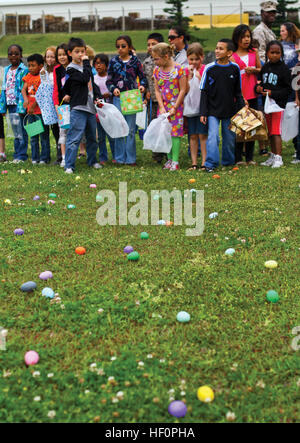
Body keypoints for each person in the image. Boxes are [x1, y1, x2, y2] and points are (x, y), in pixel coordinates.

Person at [200, 39, 244, 172]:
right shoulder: (209, 68)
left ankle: (228, 162)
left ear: (229, 53)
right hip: (212, 110)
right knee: (213, 136)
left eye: (221, 48)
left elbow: (238, 92)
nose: (217, 51)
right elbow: (204, 91)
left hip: (230, 111)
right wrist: (203, 112)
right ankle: (210, 164)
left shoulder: (235, 68)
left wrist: (242, 109)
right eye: (216, 48)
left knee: (229, 138)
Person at [62, 38, 102, 174]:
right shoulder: (71, 69)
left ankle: (92, 161)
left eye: (82, 51)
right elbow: (85, 79)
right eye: (76, 52)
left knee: (92, 137)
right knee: (74, 137)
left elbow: (92, 83)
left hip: (90, 107)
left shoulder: (86, 68)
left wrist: (97, 97)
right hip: (79, 108)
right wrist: (86, 62)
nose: (80, 54)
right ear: (70, 53)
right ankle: (69, 165)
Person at [106, 35, 147, 165]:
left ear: (129, 47)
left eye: (123, 46)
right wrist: (113, 89)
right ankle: (119, 157)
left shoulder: (135, 61)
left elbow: (143, 78)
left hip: (132, 97)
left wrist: (142, 86)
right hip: (118, 98)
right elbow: (109, 80)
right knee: (119, 127)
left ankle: (130, 158)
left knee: (130, 129)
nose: (120, 49)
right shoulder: (113, 62)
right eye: (118, 46)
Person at [255, 41, 291, 168]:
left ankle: (279, 158)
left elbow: (287, 89)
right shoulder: (265, 67)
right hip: (267, 105)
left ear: (281, 54)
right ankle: (272, 154)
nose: (275, 55)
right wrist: (258, 88)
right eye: (272, 52)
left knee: (276, 131)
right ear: (267, 53)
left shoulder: (284, 69)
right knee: (270, 131)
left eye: (278, 53)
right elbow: (260, 83)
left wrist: (272, 93)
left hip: (277, 104)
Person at [152, 43, 186, 171]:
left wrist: (175, 107)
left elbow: (182, 90)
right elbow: (157, 90)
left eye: (156, 59)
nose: (155, 62)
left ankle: (175, 161)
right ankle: (169, 159)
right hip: (164, 107)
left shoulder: (179, 69)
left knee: (175, 134)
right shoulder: (157, 71)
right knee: (165, 133)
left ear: (166, 56)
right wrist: (161, 107)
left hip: (176, 107)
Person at [231, 25, 261, 165]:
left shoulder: (253, 53)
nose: (246, 39)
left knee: (252, 126)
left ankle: (249, 157)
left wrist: (253, 70)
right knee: (239, 126)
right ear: (237, 39)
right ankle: (238, 157)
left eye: (248, 36)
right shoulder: (232, 56)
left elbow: (261, 69)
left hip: (253, 93)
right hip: (239, 95)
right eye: (243, 37)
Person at [0, 44, 28, 163]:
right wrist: (2, 107)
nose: (13, 56)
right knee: (15, 131)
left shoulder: (24, 69)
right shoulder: (6, 70)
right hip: (10, 104)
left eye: (16, 53)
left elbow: (25, 88)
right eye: (10, 53)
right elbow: (4, 88)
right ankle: (17, 154)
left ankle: (21, 155)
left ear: (21, 55)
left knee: (22, 130)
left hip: (20, 104)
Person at [22, 53, 51, 164]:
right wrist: (26, 100)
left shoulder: (42, 77)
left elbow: (42, 93)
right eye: (29, 65)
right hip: (31, 113)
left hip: (40, 112)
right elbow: (23, 90)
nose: (30, 68)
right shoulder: (28, 76)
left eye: (33, 65)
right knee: (34, 136)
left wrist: (33, 106)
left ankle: (44, 158)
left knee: (44, 136)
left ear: (40, 66)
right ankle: (35, 158)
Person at [143, 32, 165, 163]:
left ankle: (168, 153)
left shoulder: (165, 61)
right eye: (148, 45)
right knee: (154, 126)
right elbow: (144, 79)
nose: (150, 47)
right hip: (153, 100)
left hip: (166, 99)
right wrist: (145, 92)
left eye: (154, 44)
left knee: (165, 127)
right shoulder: (146, 62)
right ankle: (157, 155)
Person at [185, 42, 207, 170]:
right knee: (192, 135)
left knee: (203, 135)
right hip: (190, 108)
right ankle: (194, 163)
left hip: (202, 108)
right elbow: (185, 89)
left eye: (196, 59)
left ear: (202, 58)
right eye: (191, 59)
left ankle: (204, 162)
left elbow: (206, 88)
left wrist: (198, 77)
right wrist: (189, 76)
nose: (193, 62)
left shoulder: (205, 70)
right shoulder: (186, 71)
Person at [93, 53, 115, 164]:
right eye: (96, 63)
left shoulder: (109, 78)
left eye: (101, 63)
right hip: (98, 111)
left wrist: (109, 94)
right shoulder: (93, 79)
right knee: (100, 136)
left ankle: (115, 155)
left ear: (106, 65)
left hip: (109, 110)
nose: (99, 66)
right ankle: (103, 157)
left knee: (111, 135)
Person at [53, 43, 72, 168]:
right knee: (63, 132)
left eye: (64, 54)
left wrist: (71, 95)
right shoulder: (57, 69)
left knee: (76, 132)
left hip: (75, 104)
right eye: (59, 55)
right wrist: (55, 104)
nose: (62, 57)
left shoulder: (73, 67)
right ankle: (64, 158)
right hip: (62, 105)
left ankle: (76, 155)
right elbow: (56, 88)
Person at [43, 45, 61, 164]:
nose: (50, 59)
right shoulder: (44, 71)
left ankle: (61, 155)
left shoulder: (59, 70)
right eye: (47, 57)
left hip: (57, 104)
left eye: (52, 57)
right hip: (47, 107)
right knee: (50, 131)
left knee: (59, 131)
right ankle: (49, 156)